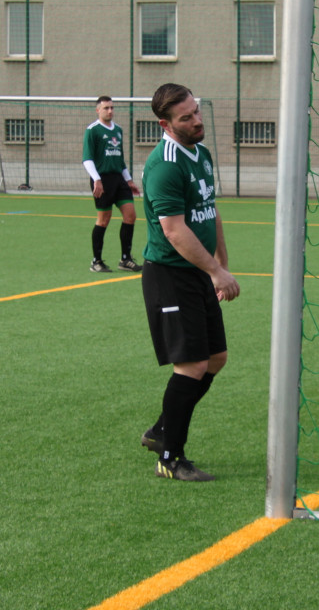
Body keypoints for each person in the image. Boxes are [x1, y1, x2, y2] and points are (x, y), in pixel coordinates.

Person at [137, 83, 240, 482]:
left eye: (196, 111)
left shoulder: (202, 153)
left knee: (215, 358)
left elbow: (209, 210)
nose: (197, 120)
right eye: (186, 117)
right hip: (170, 275)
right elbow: (175, 231)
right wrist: (216, 272)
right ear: (165, 123)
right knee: (193, 363)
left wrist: (221, 263)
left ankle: (162, 429)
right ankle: (170, 456)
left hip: (199, 270)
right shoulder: (163, 165)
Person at [83, 95, 141, 273]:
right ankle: (96, 261)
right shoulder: (92, 130)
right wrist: (97, 180)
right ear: (98, 110)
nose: (110, 111)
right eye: (106, 108)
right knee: (103, 220)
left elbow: (120, 159)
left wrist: (129, 179)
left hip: (119, 179)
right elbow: (87, 159)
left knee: (130, 215)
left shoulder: (118, 130)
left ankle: (125, 259)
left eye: (112, 108)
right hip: (102, 179)